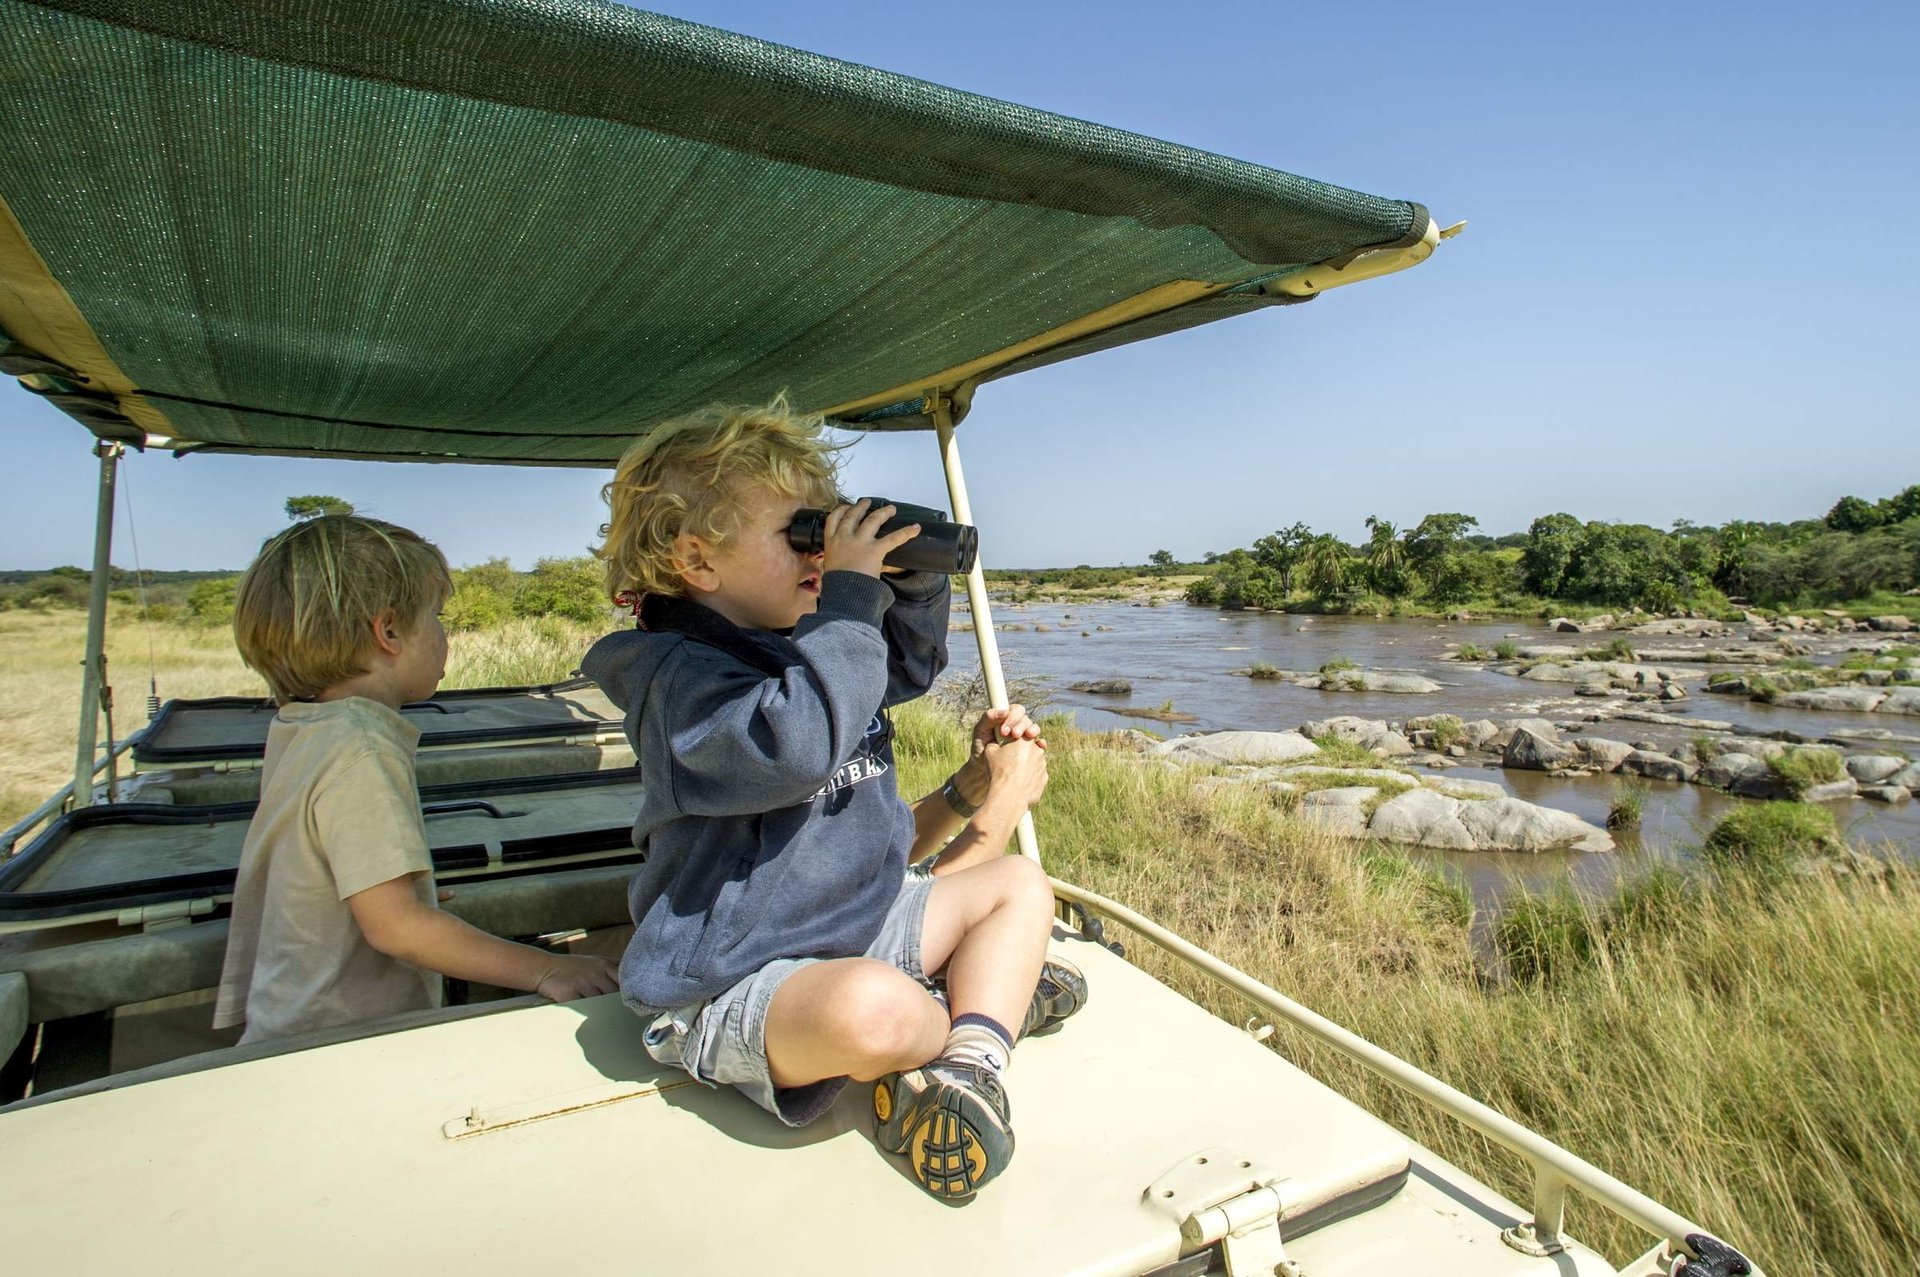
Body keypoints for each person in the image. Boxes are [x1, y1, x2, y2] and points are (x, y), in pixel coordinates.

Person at [584, 398, 1086, 1201]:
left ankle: (972, 1062)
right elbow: (797, 748)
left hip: (856, 928)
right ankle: (978, 1013)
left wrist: (906, 584)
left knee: (1020, 885)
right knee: (875, 1014)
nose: (821, 550)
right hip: (732, 978)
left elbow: (901, 672)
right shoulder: (674, 683)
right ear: (697, 561)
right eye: (800, 534)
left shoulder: (804, 641)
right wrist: (848, 594)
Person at [214, 515, 618, 1045]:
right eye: (437, 615)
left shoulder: (302, 727)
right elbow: (396, 928)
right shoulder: (360, 747)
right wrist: (547, 968)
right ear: (388, 632)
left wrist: (398, 892)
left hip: (295, 1021)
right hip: (340, 1042)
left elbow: (322, 872)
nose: (445, 632)